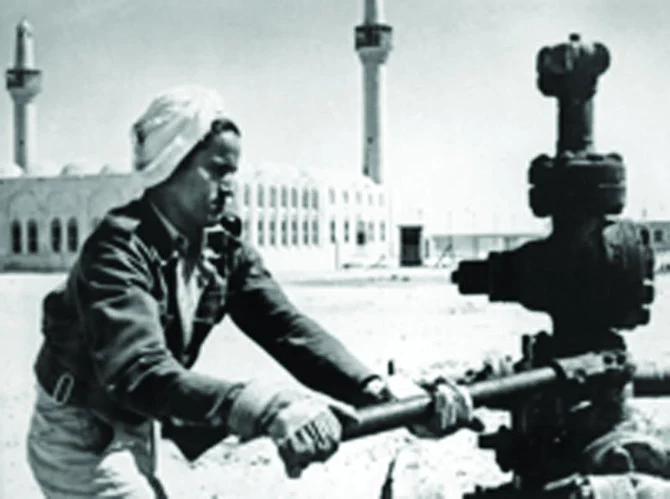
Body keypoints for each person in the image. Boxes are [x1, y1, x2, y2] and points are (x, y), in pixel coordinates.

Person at [25, 85, 478, 498]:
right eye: (218, 171)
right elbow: (138, 370)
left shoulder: (221, 248)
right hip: (81, 430)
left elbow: (286, 328)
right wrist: (265, 407)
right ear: (171, 167)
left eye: (234, 172)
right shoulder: (118, 250)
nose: (230, 187)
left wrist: (377, 392)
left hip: (145, 419)